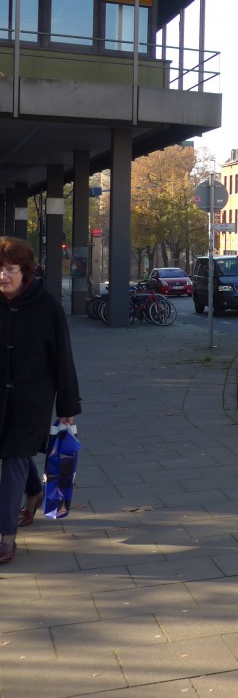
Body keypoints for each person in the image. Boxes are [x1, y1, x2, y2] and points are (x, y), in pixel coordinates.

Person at [0, 237, 82, 564]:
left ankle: (6, 534)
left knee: (13, 459)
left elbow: (63, 358)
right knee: (11, 453)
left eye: (9, 269)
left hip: (31, 399)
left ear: (25, 271)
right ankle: (35, 492)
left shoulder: (47, 306)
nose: (3, 276)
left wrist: (68, 408)